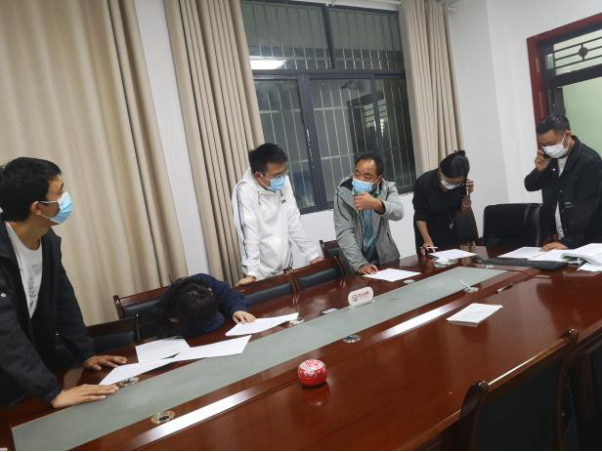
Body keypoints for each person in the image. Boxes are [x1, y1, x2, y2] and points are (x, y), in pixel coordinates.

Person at [0, 158, 126, 409]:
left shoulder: (47, 239)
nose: (66, 198)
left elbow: (63, 297)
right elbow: (4, 331)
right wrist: (53, 393)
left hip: (34, 375)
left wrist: (86, 354)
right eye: (60, 193)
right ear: (38, 208)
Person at [232, 144, 323, 286]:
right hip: (260, 272)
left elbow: (293, 220)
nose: (282, 178)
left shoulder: (283, 181)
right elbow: (249, 233)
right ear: (258, 176)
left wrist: (312, 254)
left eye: (284, 172)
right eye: (276, 175)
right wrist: (252, 273)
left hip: (286, 265)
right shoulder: (244, 190)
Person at [525, 115, 602, 250]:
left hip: (586, 241)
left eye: (551, 143)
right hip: (559, 239)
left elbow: (585, 206)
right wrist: (539, 171)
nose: (547, 149)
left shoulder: (589, 161)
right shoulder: (550, 159)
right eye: (544, 145)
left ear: (567, 135)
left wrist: (568, 242)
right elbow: (530, 185)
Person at [334, 153, 404, 275]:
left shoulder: (387, 188)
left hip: (386, 258)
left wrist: (376, 204)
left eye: (367, 176)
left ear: (378, 179)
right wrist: (360, 264)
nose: (360, 179)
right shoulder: (343, 191)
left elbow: (398, 213)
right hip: (355, 264)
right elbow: (344, 232)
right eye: (357, 174)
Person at [412, 151, 475, 255]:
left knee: (454, 262)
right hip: (428, 234)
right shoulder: (424, 183)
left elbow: (464, 211)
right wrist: (427, 240)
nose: (453, 185)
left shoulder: (462, 183)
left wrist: (467, 194)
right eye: (450, 182)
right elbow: (420, 215)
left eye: (457, 183)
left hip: (451, 232)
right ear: (441, 171)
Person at [156, 274, 256, 338]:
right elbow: (218, 321)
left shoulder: (203, 280)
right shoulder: (167, 310)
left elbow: (227, 293)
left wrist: (237, 309)